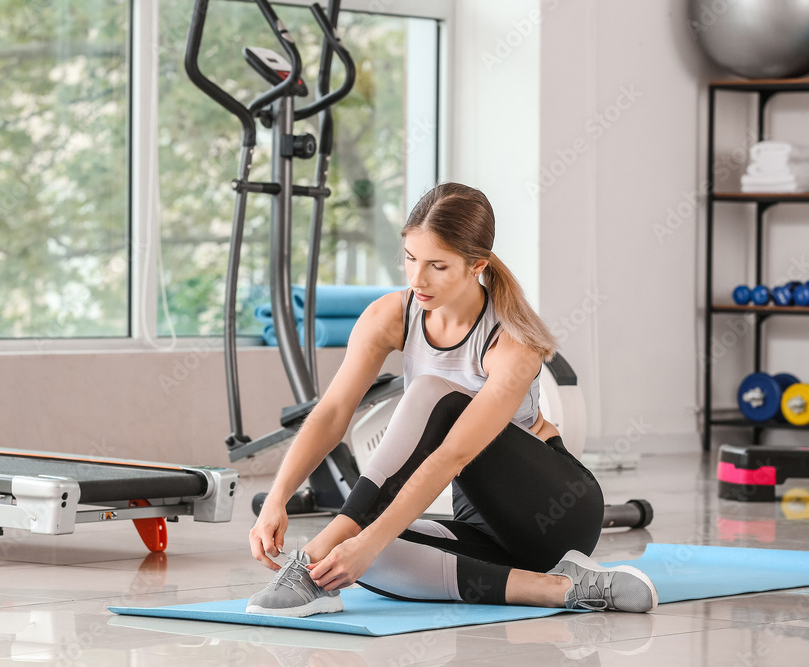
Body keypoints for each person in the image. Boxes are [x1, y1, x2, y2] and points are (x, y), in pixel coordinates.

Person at [246, 183, 657, 617]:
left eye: (437, 266)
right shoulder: (390, 315)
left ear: (476, 264)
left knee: (429, 393)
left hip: (555, 516)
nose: (417, 279)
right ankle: (561, 589)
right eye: (410, 258)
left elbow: (453, 456)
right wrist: (278, 498)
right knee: (354, 555)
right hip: (478, 526)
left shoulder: (510, 341)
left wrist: (361, 538)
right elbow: (331, 413)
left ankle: (309, 560)